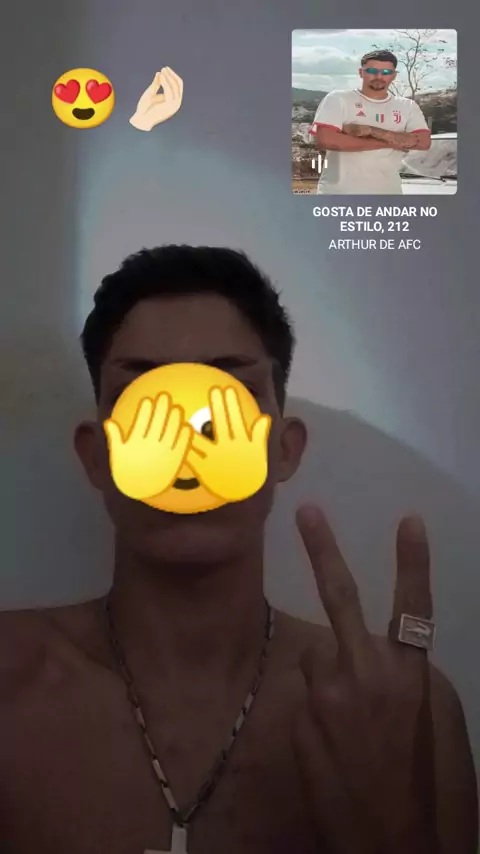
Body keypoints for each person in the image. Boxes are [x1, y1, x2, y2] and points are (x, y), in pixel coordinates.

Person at [0, 245, 477, 854]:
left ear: (283, 449)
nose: (186, 444)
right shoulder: (11, 684)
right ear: (98, 457)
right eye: (146, 400)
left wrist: (393, 831)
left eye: (226, 397)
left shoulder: (403, 712)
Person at [311, 49, 432, 194]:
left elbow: (423, 143)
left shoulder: (407, 106)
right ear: (361, 72)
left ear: (394, 75)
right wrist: (393, 141)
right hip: (338, 193)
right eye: (372, 71)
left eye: (386, 72)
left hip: (388, 193)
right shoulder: (338, 98)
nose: (379, 76)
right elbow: (326, 140)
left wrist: (372, 131)